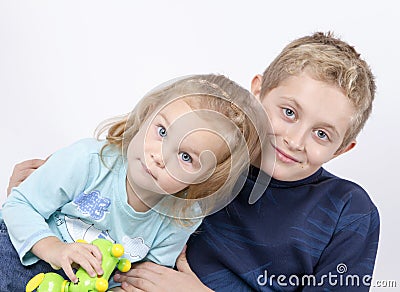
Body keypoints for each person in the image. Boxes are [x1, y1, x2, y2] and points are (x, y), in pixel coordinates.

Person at [6, 31, 380, 291]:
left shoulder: (348, 211)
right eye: (287, 112)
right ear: (257, 91)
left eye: (322, 134)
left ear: (343, 148)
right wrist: (37, 202)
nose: (294, 140)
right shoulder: (203, 156)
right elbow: (106, 193)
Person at [0, 74, 266, 291]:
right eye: (162, 132)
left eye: (186, 157)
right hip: (31, 249)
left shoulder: (181, 217)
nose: (160, 157)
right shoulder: (89, 161)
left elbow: (139, 277)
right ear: (147, 114)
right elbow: (18, 205)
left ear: (207, 177)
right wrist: (55, 249)